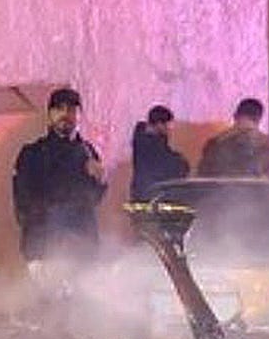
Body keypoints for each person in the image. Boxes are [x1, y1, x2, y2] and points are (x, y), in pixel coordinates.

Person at [12, 86, 106, 268]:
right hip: (45, 249)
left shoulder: (88, 152)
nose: (65, 114)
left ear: (79, 115)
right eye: (59, 109)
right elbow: (24, 204)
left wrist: (100, 180)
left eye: (71, 109)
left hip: (83, 248)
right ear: (49, 115)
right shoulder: (33, 153)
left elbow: (93, 200)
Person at [197, 98, 269, 178]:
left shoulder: (215, 143)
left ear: (235, 116)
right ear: (259, 119)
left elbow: (202, 177)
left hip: (220, 188)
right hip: (255, 188)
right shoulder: (267, 145)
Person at [129, 104, 188, 201]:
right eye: (168, 124)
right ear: (159, 124)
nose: (170, 128)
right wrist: (182, 163)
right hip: (151, 193)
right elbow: (167, 165)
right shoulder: (150, 145)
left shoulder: (145, 139)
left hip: (145, 192)